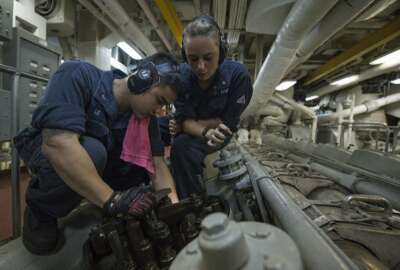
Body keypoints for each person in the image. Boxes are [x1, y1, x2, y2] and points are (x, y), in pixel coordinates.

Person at [14, 53, 181, 255]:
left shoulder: (144, 120)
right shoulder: (78, 74)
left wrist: (174, 212)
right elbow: (57, 143)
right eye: (159, 100)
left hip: (98, 163)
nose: (159, 111)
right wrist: (113, 200)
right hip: (49, 151)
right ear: (142, 79)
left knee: (139, 171)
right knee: (93, 152)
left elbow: (158, 166)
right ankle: (41, 211)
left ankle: (100, 197)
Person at [162, 15, 253, 199]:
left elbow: (224, 124)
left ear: (222, 52)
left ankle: (192, 203)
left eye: (208, 58)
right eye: (193, 59)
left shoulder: (238, 77)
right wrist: (194, 126)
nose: (201, 67)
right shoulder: (182, 76)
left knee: (182, 146)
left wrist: (190, 126)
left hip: (218, 134)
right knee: (151, 125)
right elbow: (182, 121)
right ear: (184, 56)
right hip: (201, 129)